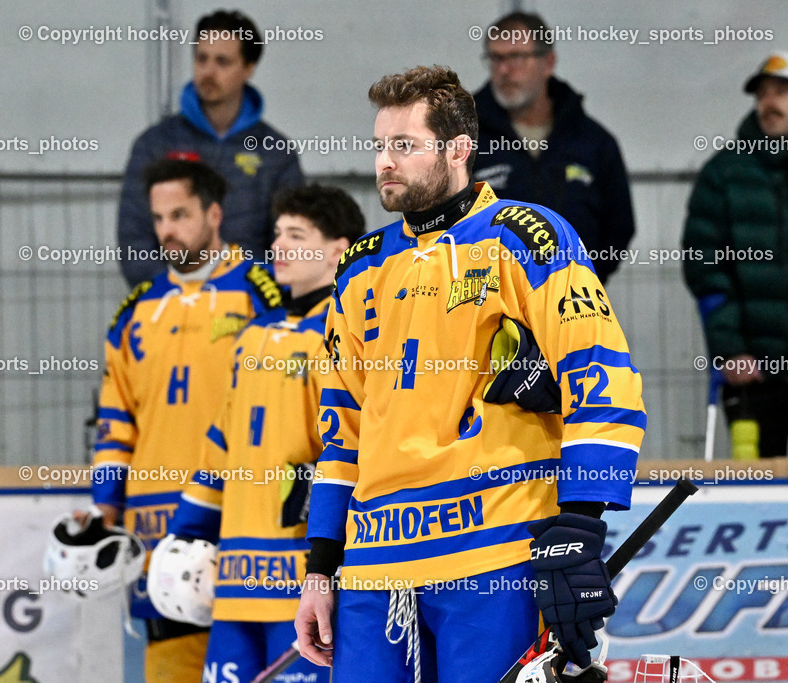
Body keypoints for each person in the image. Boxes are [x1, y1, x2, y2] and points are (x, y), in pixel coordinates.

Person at [294, 65, 646, 682]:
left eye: (404, 146)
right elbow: (339, 433)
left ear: (458, 149)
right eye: (380, 146)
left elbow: (603, 377)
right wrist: (320, 571)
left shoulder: (526, 239)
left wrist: (581, 525)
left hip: (496, 555)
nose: (385, 162)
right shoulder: (358, 268)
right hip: (374, 569)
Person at [158, 185, 365, 683]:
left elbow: (358, 444)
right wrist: (187, 531)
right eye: (277, 234)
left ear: (339, 249)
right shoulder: (251, 335)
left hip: (302, 582)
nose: (279, 247)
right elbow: (221, 442)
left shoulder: (345, 334)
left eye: (297, 235)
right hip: (234, 579)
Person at [89, 158, 282, 682]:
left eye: (179, 214)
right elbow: (115, 419)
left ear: (213, 214)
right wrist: (105, 504)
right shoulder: (135, 312)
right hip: (155, 534)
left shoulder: (264, 293)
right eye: (158, 218)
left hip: (244, 522)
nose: (166, 230)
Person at [118, 9, 305, 287]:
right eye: (201, 58)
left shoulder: (275, 152)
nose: (208, 71)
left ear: (248, 68)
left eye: (222, 61)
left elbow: (292, 240)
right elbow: (134, 240)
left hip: (251, 308)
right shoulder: (155, 144)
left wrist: (253, 295)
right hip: (171, 309)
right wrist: (178, 293)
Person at [472, 11, 635, 284]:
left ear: (548, 63)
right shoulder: (464, 139)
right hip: (487, 307)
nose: (503, 70)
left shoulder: (592, 142)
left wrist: (586, 278)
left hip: (574, 302)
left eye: (516, 57)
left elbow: (619, 226)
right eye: (495, 58)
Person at [682, 51, 788, 459]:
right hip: (752, 372)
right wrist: (731, 350)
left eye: (781, 92)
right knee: (757, 479)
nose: (770, 103)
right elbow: (707, 269)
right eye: (763, 93)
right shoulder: (723, 173)